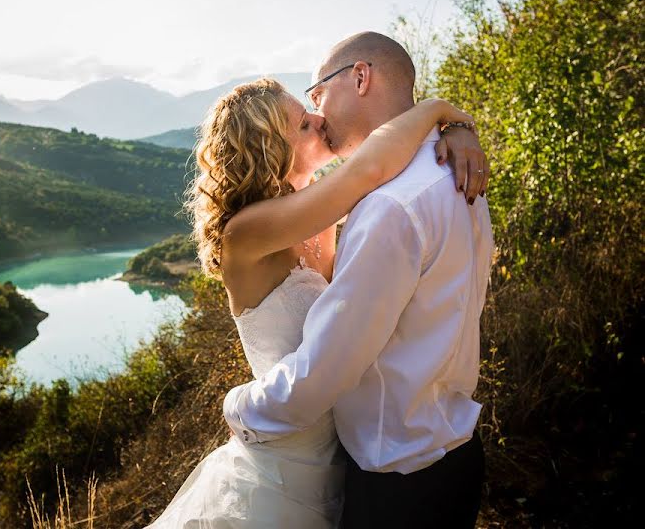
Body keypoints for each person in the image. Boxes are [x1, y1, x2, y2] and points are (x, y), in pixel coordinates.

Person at [144, 33, 490, 528]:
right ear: (271, 144)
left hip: (349, 453)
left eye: (314, 106)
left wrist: (453, 125)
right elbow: (370, 165)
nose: (320, 120)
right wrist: (441, 112)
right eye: (304, 123)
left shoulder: (324, 216)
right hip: (289, 457)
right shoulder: (248, 232)